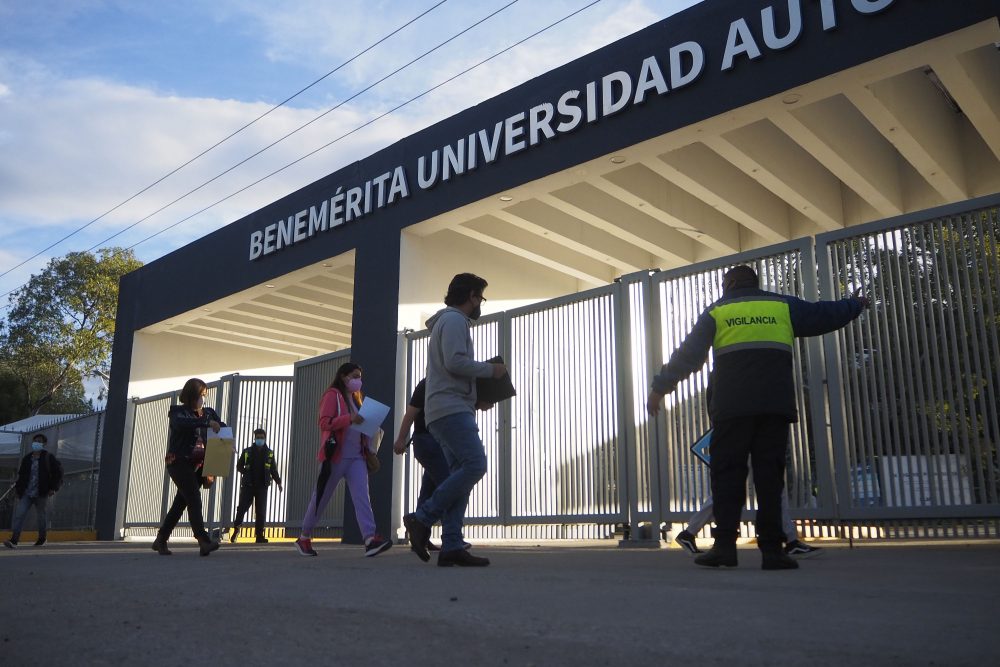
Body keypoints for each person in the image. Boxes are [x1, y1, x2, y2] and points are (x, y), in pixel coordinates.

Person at [647, 265, 867, 570]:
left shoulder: (718, 311)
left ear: (730, 283)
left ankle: (724, 547)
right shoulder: (781, 306)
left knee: (728, 477)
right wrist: (855, 305)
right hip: (773, 405)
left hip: (732, 408)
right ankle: (773, 552)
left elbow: (689, 355)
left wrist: (660, 388)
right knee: (769, 478)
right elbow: (823, 314)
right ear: (755, 282)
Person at [403, 273, 505, 567]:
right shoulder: (455, 321)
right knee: (475, 464)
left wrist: (476, 398)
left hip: (448, 407)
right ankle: (422, 519)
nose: (480, 304)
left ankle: (451, 545)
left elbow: (450, 368)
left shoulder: (445, 322)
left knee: (459, 476)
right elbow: (455, 361)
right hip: (450, 408)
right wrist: (490, 371)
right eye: (480, 298)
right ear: (471, 295)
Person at [294, 362, 392, 558]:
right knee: (321, 497)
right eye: (355, 376)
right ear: (343, 377)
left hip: (357, 456)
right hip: (335, 456)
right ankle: (304, 537)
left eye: (360, 377)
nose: (358, 380)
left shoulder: (357, 398)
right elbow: (324, 423)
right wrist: (349, 419)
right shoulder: (332, 395)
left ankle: (370, 539)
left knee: (362, 497)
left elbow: (360, 425)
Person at [393, 378, 489, 552]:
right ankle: (450, 537)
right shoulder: (428, 384)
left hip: (439, 442)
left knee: (429, 489)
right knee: (451, 487)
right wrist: (401, 438)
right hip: (429, 442)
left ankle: (420, 537)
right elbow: (411, 413)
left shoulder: (448, 384)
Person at [152, 378, 224, 556]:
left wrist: (216, 461)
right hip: (178, 462)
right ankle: (203, 540)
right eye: (201, 395)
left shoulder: (209, 413)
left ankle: (161, 539)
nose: (203, 399)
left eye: (205, 395)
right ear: (192, 395)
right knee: (193, 497)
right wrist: (207, 423)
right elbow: (183, 424)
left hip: (199, 465)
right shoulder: (177, 412)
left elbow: (221, 428)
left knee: (181, 502)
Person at [674, 491, 823, 558]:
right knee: (772, 485)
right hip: (750, 434)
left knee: (730, 488)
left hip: (743, 435)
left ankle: (689, 533)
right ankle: (791, 540)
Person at [3, 433, 63, 549]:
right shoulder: (27, 458)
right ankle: (14, 540)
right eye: (35, 441)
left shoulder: (48, 457)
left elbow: (58, 473)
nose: (36, 443)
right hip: (27, 492)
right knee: (19, 514)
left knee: (41, 516)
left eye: (39, 441)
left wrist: (53, 488)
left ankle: (42, 538)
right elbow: (22, 476)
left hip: (41, 492)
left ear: (44, 444)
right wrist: (18, 490)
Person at [230, 428, 283, 544]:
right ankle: (236, 530)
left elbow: (273, 470)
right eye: (258, 438)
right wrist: (246, 473)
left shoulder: (269, 453)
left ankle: (259, 536)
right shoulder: (247, 452)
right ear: (255, 439)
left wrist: (278, 482)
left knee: (261, 511)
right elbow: (239, 466)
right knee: (242, 508)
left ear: (265, 438)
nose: (260, 440)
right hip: (248, 485)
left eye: (262, 438)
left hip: (262, 487)